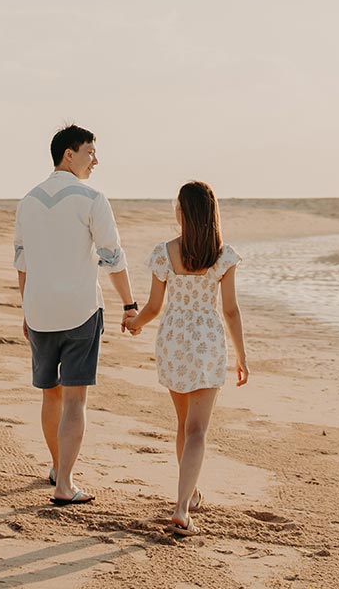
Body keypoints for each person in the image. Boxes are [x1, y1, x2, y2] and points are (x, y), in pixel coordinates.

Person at [13, 124, 140, 506]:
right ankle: (65, 483)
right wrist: (130, 304)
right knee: (74, 401)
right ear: (69, 154)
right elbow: (112, 256)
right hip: (80, 310)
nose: (95, 160)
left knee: (50, 396)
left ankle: (56, 466)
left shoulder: (28, 200)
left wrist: (26, 307)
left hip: (39, 311)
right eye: (90, 152)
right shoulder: (91, 197)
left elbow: (21, 262)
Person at [125, 180, 249, 536]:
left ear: (182, 211)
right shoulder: (224, 255)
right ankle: (182, 506)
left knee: (184, 425)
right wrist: (242, 355)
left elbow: (153, 307)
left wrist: (135, 324)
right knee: (197, 430)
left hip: (173, 341)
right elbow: (230, 310)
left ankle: (189, 495)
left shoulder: (165, 252)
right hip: (207, 342)